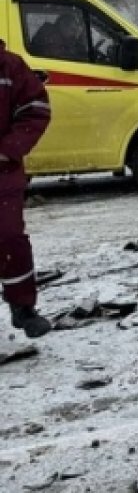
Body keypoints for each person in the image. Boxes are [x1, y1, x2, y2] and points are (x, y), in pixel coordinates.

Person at [0, 39, 53, 337]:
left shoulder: (10, 66)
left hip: (2, 174)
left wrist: (8, 149)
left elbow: (36, 108)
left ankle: (22, 308)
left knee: (9, 239)